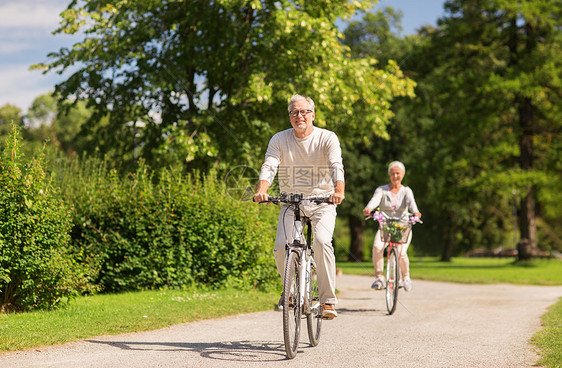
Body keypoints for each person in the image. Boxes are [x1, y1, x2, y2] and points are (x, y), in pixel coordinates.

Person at [254, 94, 345, 319]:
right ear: (290, 117)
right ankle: (292, 291)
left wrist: (338, 190)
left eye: (304, 111)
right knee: (280, 247)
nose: (299, 116)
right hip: (291, 202)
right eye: (294, 112)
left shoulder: (327, 137)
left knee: (323, 242)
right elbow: (270, 165)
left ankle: (327, 302)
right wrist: (262, 189)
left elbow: (336, 165)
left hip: (323, 201)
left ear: (313, 115)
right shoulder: (279, 139)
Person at [362, 161, 421, 292]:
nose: (395, 176)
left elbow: (412, 204)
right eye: (392, 173)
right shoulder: (381, 190)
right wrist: (369, 208)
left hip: (403, 226)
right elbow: (374, 200)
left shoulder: (406, 191)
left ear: (403, 175)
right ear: (389, 175)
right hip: (386, 226)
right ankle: (379, 278)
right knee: (377, 246)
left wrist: (416, 212)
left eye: (398, 173)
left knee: (401, 252)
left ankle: (406, 278)